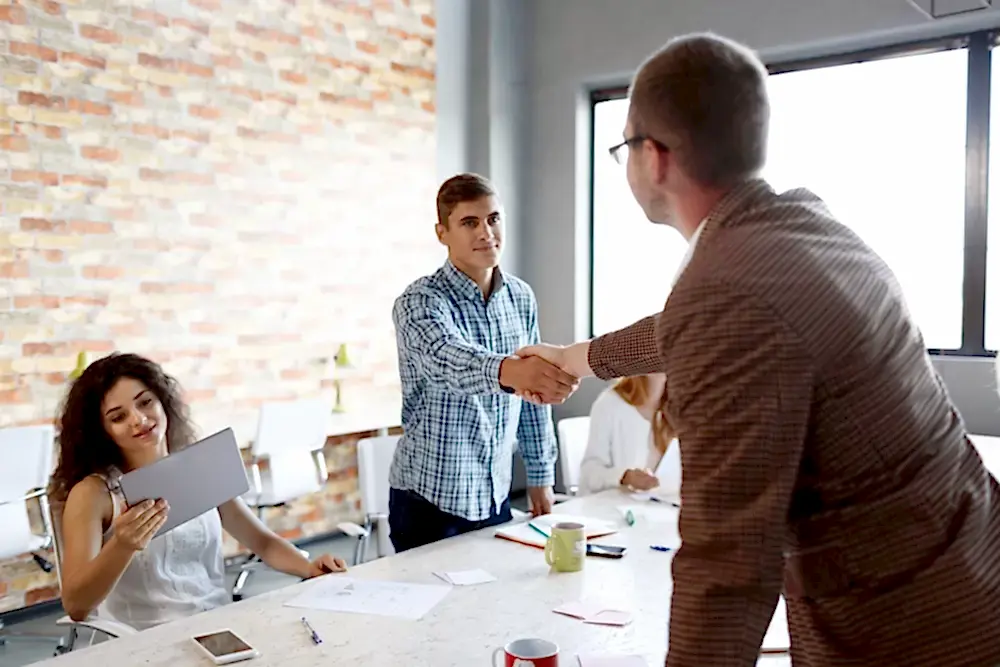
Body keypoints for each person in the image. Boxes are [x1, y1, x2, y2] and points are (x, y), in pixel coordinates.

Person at [516, 33, 1000, 667]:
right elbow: (693, 326)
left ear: (654, 157)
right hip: (967, 569)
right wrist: (578, 358)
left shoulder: (727, 289)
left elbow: (727, 569)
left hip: (908, 627)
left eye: (623, 147)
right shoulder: (803, 227)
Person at [50, 353, 347, 631]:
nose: (139, 419)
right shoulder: (94, 493)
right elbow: (76, 605)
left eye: (145, 402)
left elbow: (262, 542)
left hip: (218, 627)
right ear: (101, 432)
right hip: (143, 641)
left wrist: (308, 567)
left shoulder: (198, 465)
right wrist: (122, 545)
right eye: (118, 417)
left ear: (163, 401)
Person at [387, 173, 576, 553]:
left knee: (491, 608)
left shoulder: (520, 297)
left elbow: (532, 400)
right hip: (430, 502)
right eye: (469, 222)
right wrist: (512, 371)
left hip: (495, 496)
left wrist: (540, 474)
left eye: (493, 219)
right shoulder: (419, 301)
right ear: (442, 233)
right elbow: (448, 358)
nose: (486, 232)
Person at [578, 373, 680, 497]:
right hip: (609, 508)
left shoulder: (679, 407)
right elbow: (589, 473)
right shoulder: (610, 403)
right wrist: (625, 476)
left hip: (657, 508)